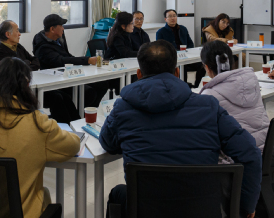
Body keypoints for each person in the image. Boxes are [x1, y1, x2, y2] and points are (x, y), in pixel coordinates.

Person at [99, 41, 262, 218]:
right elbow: (250, 153)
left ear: (139, 74)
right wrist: (246, 206)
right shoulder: (208, 106)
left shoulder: (123, 108)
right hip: (202, 209)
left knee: (118, 193)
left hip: (147, 209)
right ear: (177, 72)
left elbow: (107, 143)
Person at [0, 57, 80, 218]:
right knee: (43, 195)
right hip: (20, 213)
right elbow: (73, 146)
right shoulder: (38, 123)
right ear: (26, 86)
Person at [0, 20, 79, 123]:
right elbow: (14, 72)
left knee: (65, 97)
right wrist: (26, 63)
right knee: (56, 98)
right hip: (17, 91)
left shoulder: (18, 47)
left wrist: (25, 64)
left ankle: (77, 124)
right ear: (8, 34)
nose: (19, 34)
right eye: (17, 31)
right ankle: (66, 127)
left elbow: (35, 61)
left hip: (31, 86)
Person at [200, 40, 269, 152]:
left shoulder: (208, 95)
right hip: (270, 151)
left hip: (241, 158)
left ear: (207, 67)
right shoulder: (251, 81)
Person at [32, 14, 108, 108]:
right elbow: (61, 60)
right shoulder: (42, 47)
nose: (63, 29)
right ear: (52, 29)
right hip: (56, 80)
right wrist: (86, 60)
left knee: (102, 84)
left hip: (69, 74)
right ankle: (78, 114)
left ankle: (88, 112)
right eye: (61, 26)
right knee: (88, 92)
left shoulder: (59, 37)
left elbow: (67, 55)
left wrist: (82, 61)